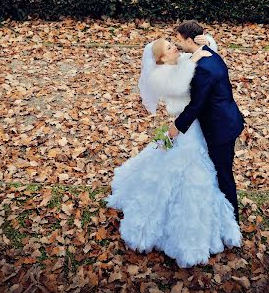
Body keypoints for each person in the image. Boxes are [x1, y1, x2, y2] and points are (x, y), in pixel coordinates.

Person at [105, 27, 242, 268]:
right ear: (161, 58)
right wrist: (195, 58)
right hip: (185, 127)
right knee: (188, 175)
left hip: (196, 126)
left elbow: (206, 53)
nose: (174, 47)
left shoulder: (184, 60)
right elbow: (180, 86)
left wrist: (205, 43)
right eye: (169, 47)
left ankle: (220, 217)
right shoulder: (160, 76)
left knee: (210, 172)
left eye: (174, 42)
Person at [169, 20, 245, 223]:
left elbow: (197, 105)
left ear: (190, 40)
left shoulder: (203, 68)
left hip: (220, 128)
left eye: (178, 39)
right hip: (227, 118)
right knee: (216, 170)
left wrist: (177, 126)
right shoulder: (208, 53)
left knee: (224, 174)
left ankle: (231, 222)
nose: (177, 43)